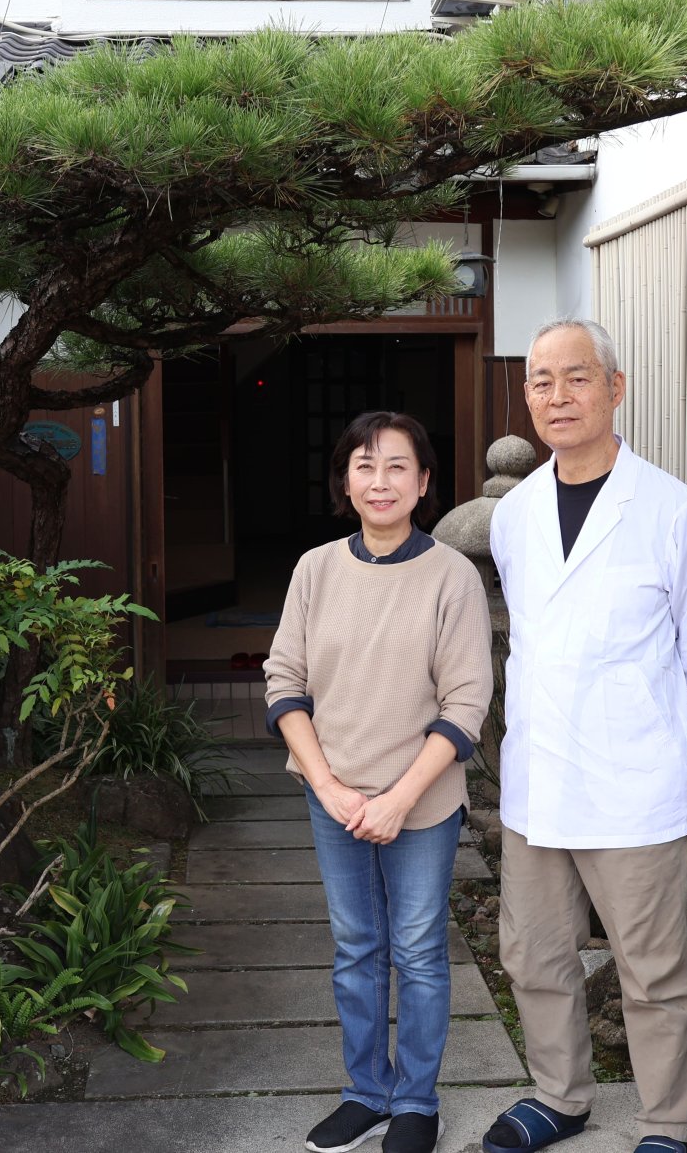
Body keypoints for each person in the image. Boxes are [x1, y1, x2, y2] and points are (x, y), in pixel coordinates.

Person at [482, 320, 687, 1153]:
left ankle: (670, 1122)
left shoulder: (674, 510)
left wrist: (637, 721)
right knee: (534, 954)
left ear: (615, 389)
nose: (558, 396)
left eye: (577, 378)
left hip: (632, 783)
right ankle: (559, 1094)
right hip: (539, 781)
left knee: (654, 970)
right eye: (541, 381)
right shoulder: (512, 517)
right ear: (526, 397)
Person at [265, 410, 494, 1153]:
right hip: (332, 794)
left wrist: (398, 797)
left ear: (424, 482)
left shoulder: (451, 576)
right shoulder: (315, 569)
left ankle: (417, 1101)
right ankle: (366, 1091)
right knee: (356, 945)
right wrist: (330, 786)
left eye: (398, 465)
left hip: (420, 802)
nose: (380, 479)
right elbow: (284, 681)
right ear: (346, 481)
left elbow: (467, 703)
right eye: (365, 465)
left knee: (420, 949)